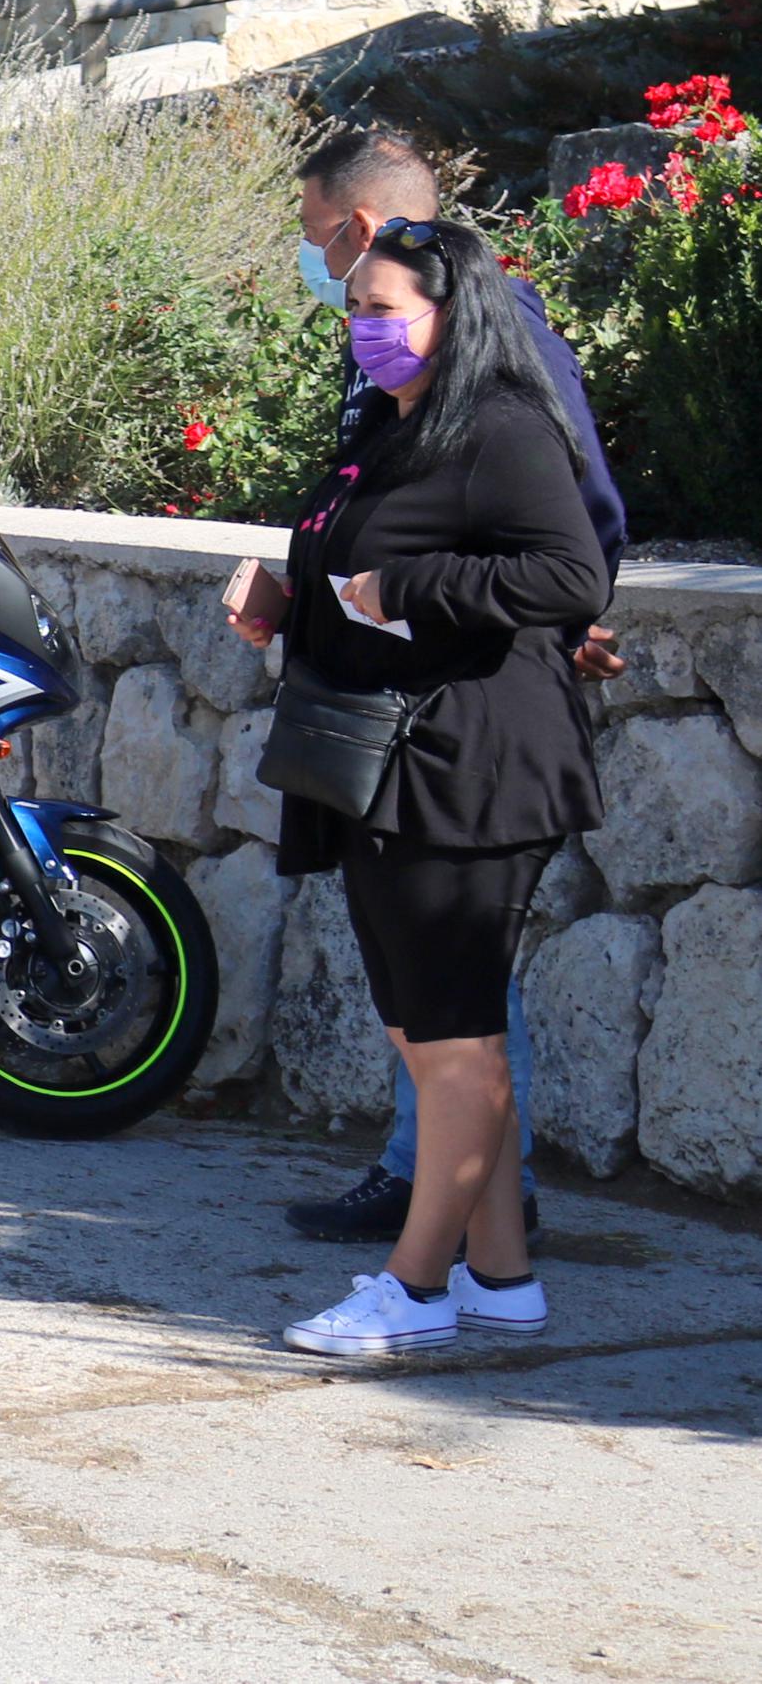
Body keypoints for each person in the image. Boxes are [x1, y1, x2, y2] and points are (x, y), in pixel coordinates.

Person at [229, 217, 604, 1356]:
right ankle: (498, 1274)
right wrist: (286, 596)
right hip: (380, 764)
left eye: (383, 310)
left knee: (453, 1040)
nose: (363, 330)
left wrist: (408, 586)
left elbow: (567, 571)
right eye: (354, 310)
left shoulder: (498, 424)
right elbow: (349, 558)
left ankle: (414, 1288)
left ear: (451, 311)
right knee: (425, 1031)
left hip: (471, 765)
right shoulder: (388, 428)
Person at [285, 127, 625, 1244]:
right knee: (438, 996)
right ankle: (484, 1244)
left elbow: (568, 508)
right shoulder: (396, 352)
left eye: (319, 245)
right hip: (396, 708)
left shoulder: (488, 338)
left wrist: (562, 612)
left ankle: (448, 1222)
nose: (327, 283)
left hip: (463, 724)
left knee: (458, 999)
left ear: (363, 226)